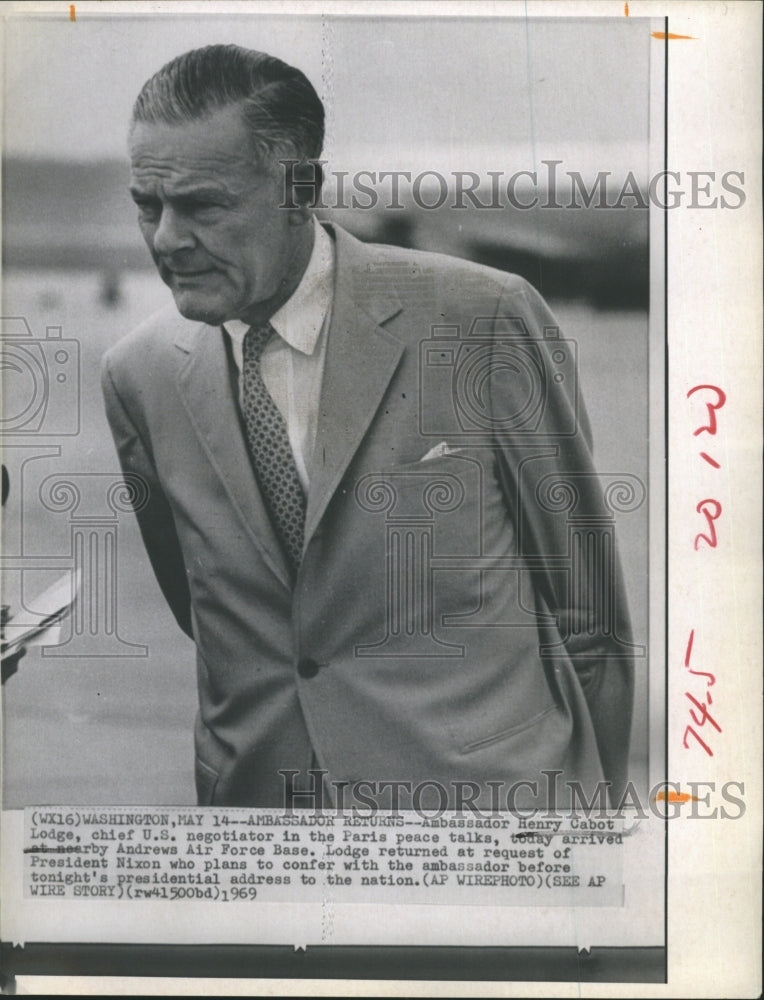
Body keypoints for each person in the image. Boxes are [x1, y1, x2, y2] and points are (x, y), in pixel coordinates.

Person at [102, 44, 635, 810]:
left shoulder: (482, 319)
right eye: (148, 205)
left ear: (302, 189)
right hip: (265, 840)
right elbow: (212, 620)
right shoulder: (137, 375)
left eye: (203, 207)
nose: (164, 239)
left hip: (488, 829)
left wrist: (593, 841)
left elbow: (592, 620)